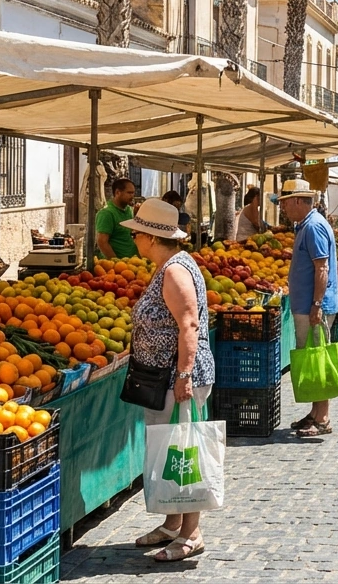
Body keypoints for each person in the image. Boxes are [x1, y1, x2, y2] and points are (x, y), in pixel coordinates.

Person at [123, 199, 216, 562]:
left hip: (175, 378)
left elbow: (189, 324)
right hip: (164, 377)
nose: (134, 240)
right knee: (168, 448)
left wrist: (183, 375)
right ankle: (172, 523)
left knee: (183, 452)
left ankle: (192, 533)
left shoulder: (175, 271)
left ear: (150, 237)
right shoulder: (170, 266)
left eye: (136, 235)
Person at [279, 179, 338, 437]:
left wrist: (316, 304)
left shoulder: (313, 226)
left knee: (318, 358)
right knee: (311, 356)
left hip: (314, 306)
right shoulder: (306, 225)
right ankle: (315, 412)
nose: (283, 209)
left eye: (284, 203)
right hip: (307, 304)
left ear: (296, 200)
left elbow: (322, 267)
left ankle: (323, 417)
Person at [95, 178, 138, 260]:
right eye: (129, 193)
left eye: (133, 193)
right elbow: (102, 242)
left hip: (133, 262)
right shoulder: (107, 213)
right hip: (119, 267)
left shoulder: (129, 210)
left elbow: (130, 233)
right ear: (118, 192)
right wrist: (116, 262)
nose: (132, 196)